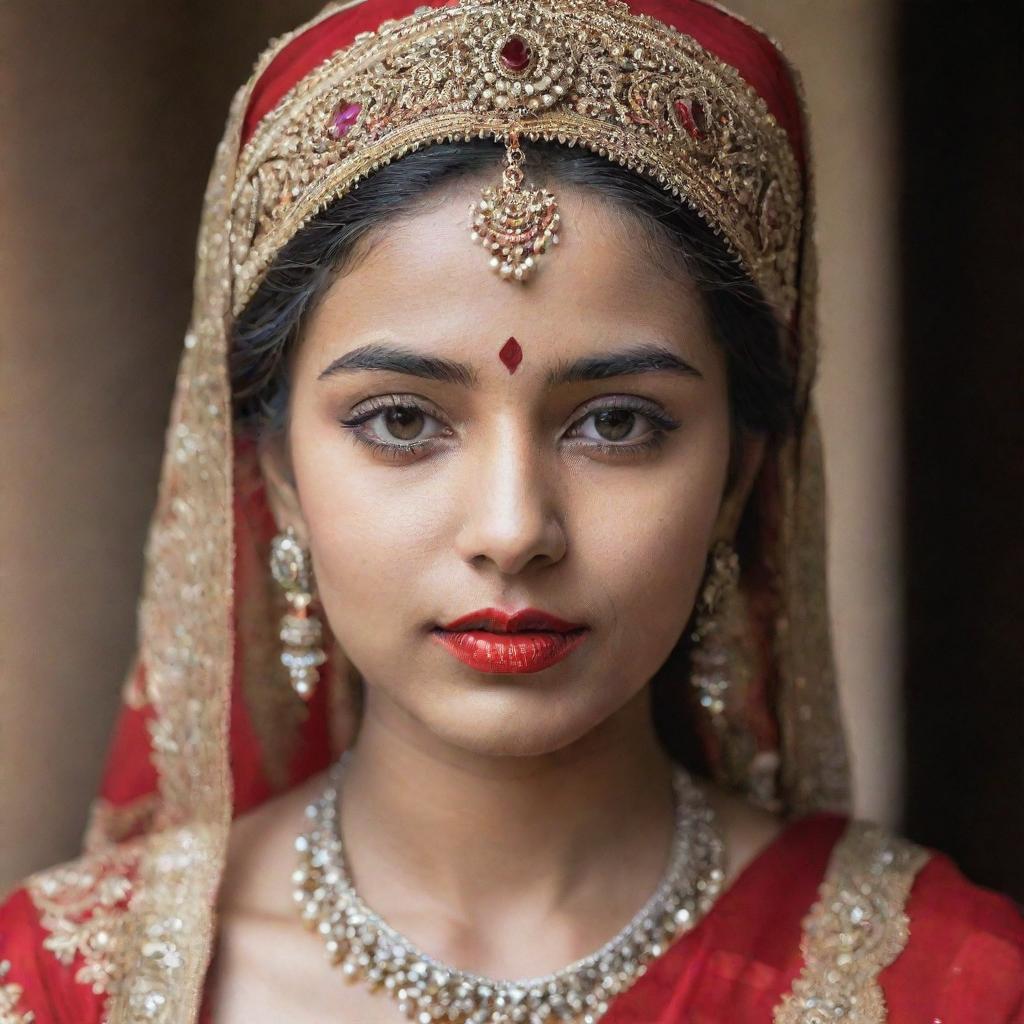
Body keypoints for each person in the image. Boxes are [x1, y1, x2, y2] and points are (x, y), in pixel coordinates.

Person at [1, 1, 1021, 1022]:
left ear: (740, 477)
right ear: (276, 476)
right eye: (401, 419)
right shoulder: (65, 989)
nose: (511, 528)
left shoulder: (948, 982)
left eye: (617, 424)